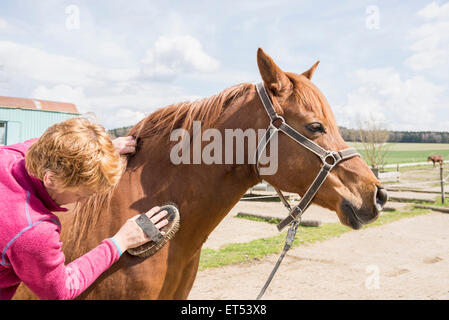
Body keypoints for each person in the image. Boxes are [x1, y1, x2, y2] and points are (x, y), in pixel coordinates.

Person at [0, 117, 168, 300]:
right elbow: (61, 291)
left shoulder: (10, 155)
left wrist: (101, 153)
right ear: (50, 179)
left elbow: (53, 147)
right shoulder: (32, 230)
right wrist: (120, 242)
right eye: (82, 194)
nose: (84, 202)